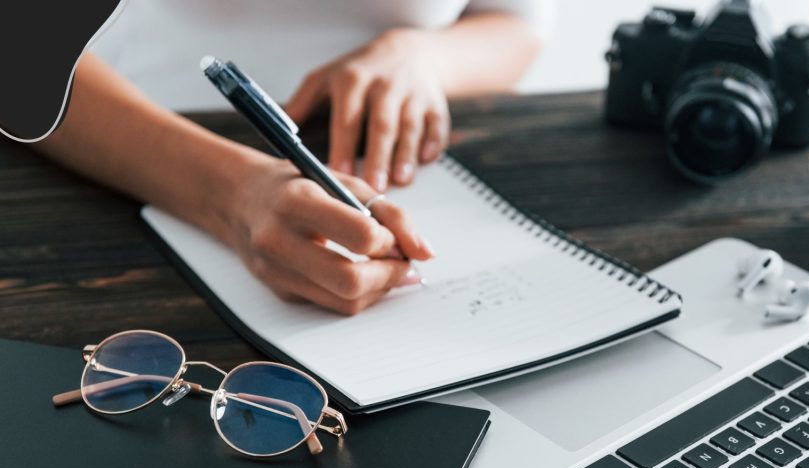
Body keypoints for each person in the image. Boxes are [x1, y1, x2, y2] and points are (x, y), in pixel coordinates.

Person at [35, 1, 552, 315]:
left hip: (391, 155)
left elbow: (516, 21)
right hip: (124, 149)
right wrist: (229, 189)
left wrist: (425, 56)